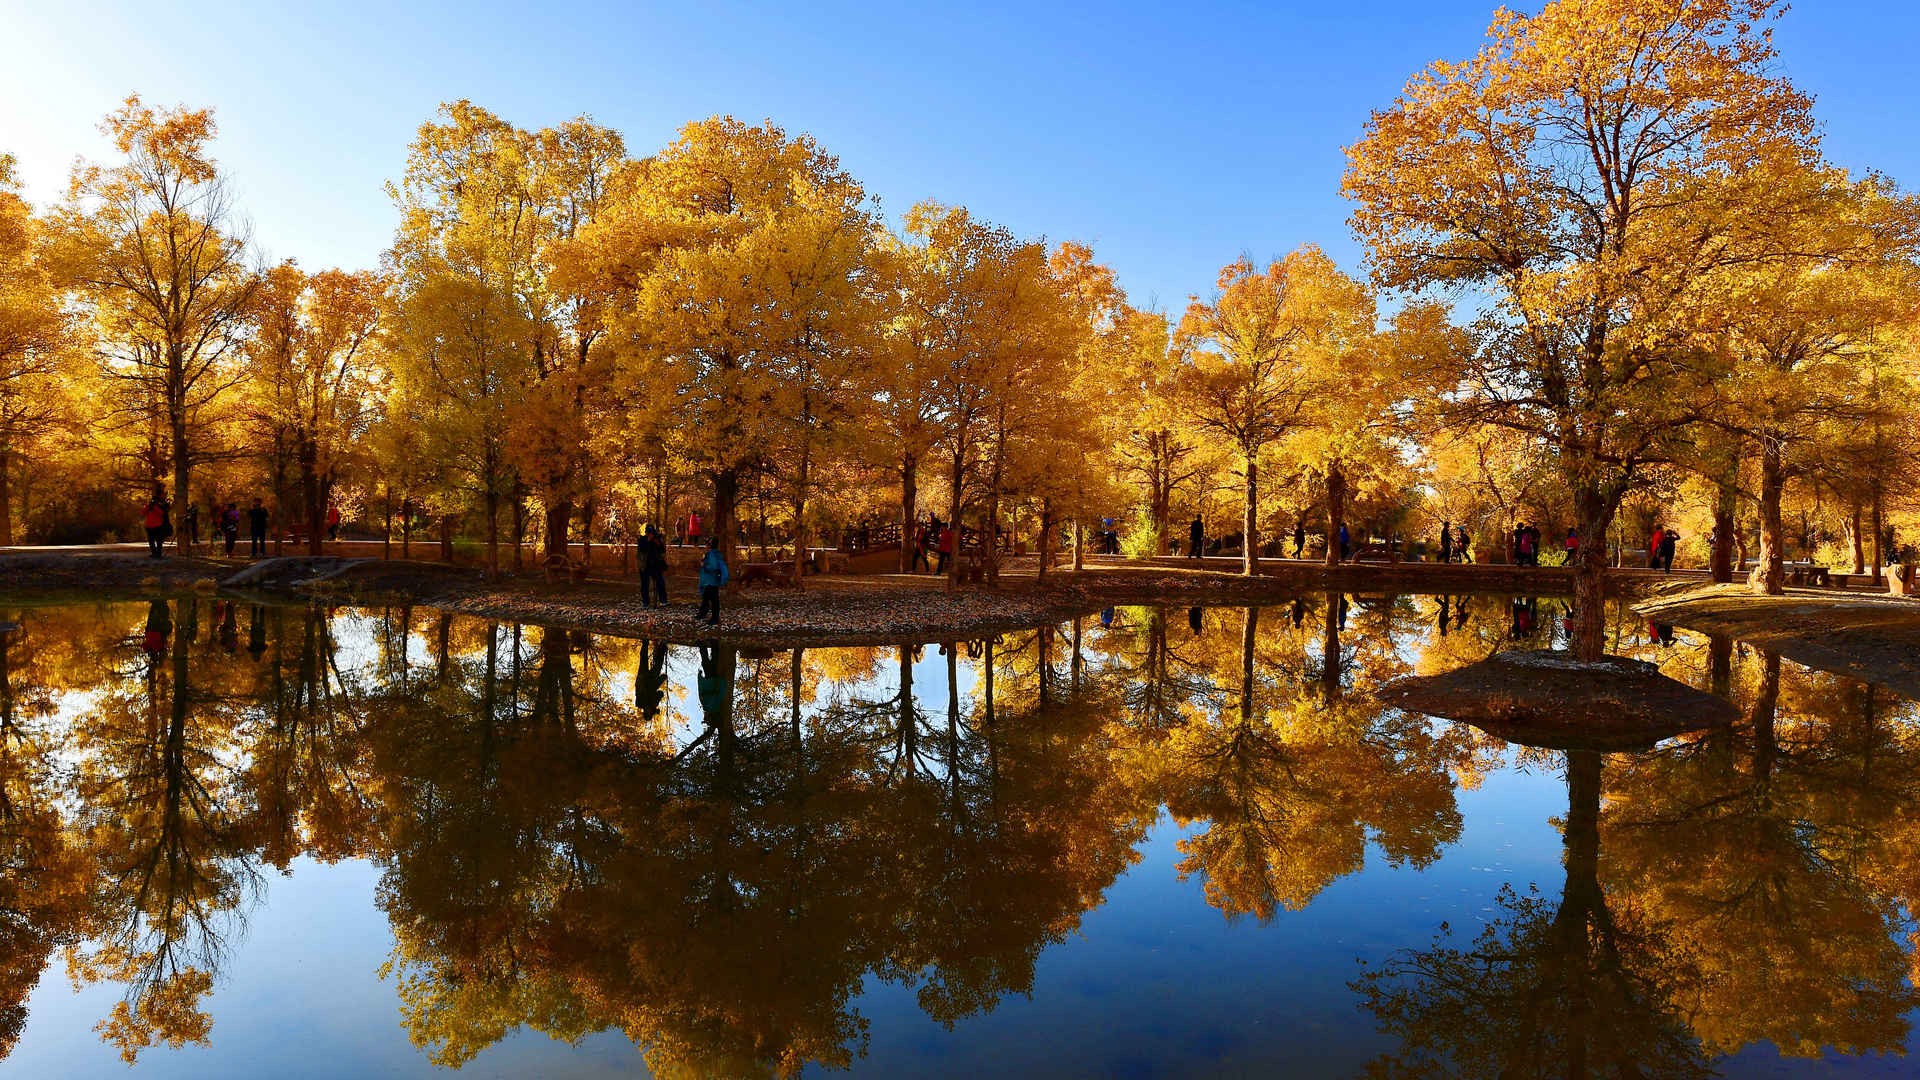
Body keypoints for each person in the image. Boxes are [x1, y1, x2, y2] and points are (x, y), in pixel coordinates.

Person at [697, 537, 729, 626]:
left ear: (709, 545)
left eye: (707, 544)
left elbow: (713, 567)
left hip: (710, 581)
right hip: (710, 580)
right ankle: (702, 614)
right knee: (706, 597)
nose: (705, 546)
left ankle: (714, 618)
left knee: (714, 600)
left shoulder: (711, 554)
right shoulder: (714, 553)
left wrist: (704, 565)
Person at [640, 524, 669, 607]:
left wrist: (658, 543)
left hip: (655, 565)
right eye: (649, 533)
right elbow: (642, 550)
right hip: (645, 565)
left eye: (652, 533)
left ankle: (663, 600)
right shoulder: (642, 539)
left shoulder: (657, 539)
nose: (651, 535)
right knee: (645, 585)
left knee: (660, 582)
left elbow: (663, 550)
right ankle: (646, 602)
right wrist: (648, 540)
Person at [141, 491, 170, 558]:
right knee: (151, 541)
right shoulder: (149, 506)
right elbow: (143, 512)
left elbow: (162, 513)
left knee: (159, 541)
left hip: (158, 526)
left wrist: (154, 507)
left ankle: (158, 554)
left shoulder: (159, 506)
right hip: (149, 526)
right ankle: (154, 553)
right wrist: (149, 506)